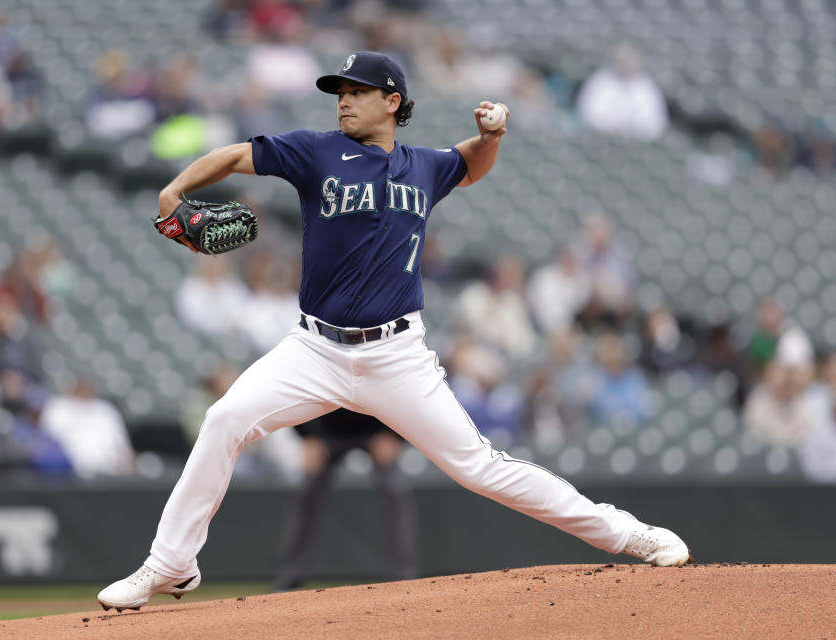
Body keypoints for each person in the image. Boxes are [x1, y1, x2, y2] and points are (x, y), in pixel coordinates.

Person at [98, 51, 690, 612]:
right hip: (314, 348)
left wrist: (492, 137)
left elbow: (471, 167)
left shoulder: (424, 165)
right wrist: (175, 191)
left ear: (392, 101)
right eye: (339, 92)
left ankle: (629, 535)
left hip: (398, 356)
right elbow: (231, 157)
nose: (344, 101)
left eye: (357, 92)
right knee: (224, 419)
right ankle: (170, 563)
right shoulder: (315, 152)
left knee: (481, 469)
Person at [272, 409, 418, 591]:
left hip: (377, 428)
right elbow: (296, 389)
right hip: (326, 431)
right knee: (305, 489)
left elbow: (403, 386)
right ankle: (290, 576)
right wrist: (307, 435)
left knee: (394, 487)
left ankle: (405, 575)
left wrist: (394, 434)